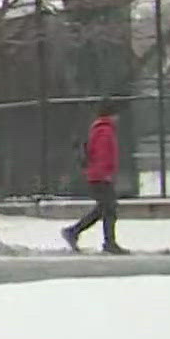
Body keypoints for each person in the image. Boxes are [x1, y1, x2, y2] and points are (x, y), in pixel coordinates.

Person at [63, 103, 127, 254]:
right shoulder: (105, 131)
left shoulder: (101, 129)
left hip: (98, 175)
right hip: (100, 176)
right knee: (109, 208)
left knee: (104, 209)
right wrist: (106, 173)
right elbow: (103, 155)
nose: (118, 118)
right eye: (116, 115)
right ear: (110, 115)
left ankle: (74, 232)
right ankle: (107, 242)